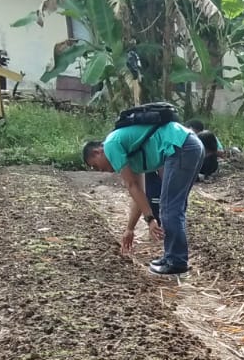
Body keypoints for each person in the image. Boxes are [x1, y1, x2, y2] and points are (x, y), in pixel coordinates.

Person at [83, 118, 204, 275]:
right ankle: (171, 257)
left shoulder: (111, 145)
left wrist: (150, 219)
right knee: (172, 206)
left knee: (169, 207)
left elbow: (131, 185)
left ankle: (177, 262)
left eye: (95, 165)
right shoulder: (129, 151)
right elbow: (139, 192)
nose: (100, 171)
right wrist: (130, 228)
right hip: (189, 144)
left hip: (181, 146)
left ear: (97, 152)